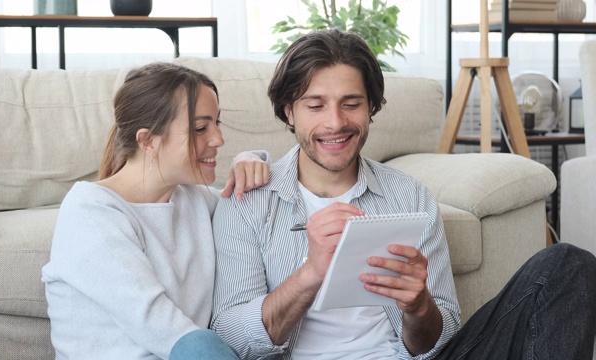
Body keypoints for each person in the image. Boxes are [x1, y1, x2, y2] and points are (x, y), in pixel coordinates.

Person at [210, 29, 596, 359]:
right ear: (288, 111)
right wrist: (310, 275)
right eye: (316, 105)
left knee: (569, 265)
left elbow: (438, 341)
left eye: (352, 103)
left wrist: (418, 306)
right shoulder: (248, 198)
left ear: (372, 107)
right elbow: (230, 338)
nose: (336, 123)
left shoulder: (409, 197)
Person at [42, 62, 269, 359]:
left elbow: (254, 211)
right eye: (201, 128)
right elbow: (160, 325)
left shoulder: (194, 198)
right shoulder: (91, 212)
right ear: (148, 141)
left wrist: (250, 159)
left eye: (217, 123)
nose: (218, 139)